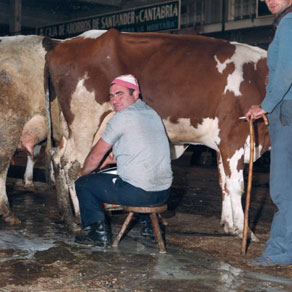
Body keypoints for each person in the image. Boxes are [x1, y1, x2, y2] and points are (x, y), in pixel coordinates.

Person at [74, 74, 173, 247]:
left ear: (135, 94)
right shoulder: (152, 114)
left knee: (84, 184)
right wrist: (110, 162)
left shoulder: (120, 118)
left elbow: (95, 156)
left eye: (120, 94)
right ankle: (150, 230)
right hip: (163, 193)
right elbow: (144, 154)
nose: (114, 100)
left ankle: (99, 235)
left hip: (139, 194)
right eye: (111, 96)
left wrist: (83, 172)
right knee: (138, 177)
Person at [245, 0, 292, 266]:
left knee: (284, 186)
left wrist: (264, 105)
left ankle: (281, 251)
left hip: (287, 110)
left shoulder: (288, 24)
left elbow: (286, 72)